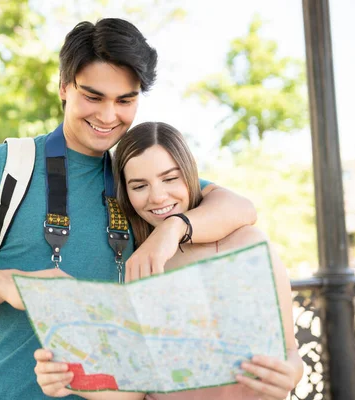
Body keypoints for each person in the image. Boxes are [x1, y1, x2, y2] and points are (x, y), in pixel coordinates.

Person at [0, 18, 257, 400]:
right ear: (64, 87)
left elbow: (239, 208)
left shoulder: (138, 180)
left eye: (125, 101)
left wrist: (171, 230)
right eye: (94, 97)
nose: (108, 115)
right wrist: (7, 282)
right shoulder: (3, 167)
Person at [33, 122, 304, 400]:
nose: (158, 196)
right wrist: (72, 378)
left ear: (189, 174)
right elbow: (136, 389)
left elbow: (291, 354)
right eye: (139, 186)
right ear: (126, 193)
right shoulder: (136, 262)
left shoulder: (246, 245)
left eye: (170, 179)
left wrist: (289, 375)